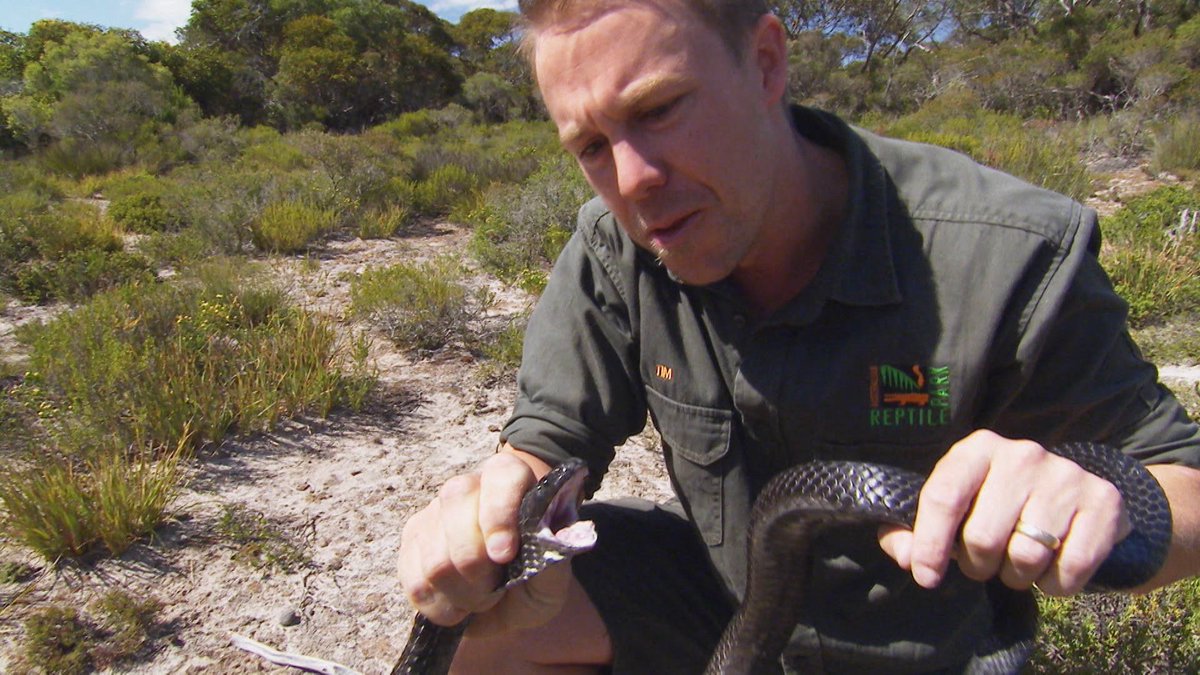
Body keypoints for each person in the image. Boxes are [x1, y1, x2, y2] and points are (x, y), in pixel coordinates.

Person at [397, 0, 1200, 672]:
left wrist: (1097, 500)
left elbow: (1186, 483)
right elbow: (548, 443)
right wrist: (487, 522)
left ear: (767, 62)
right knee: (495, 628)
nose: (633, 179)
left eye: (659, 108)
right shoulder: (617, 247)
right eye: (593, 147)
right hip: (729, 610)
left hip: (927, 652)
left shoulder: (1009, 252)